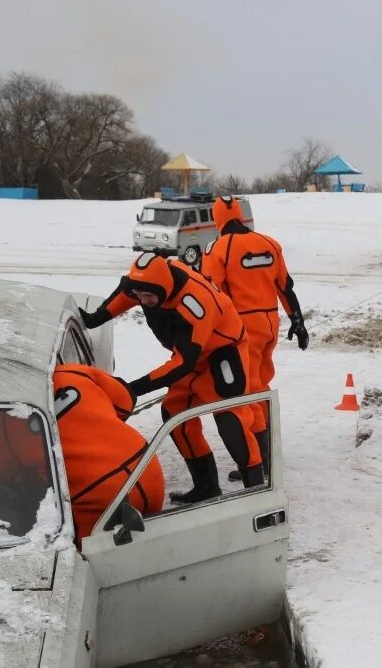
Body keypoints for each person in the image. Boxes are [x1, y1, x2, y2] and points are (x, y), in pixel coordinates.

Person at [80, 252, 264, 503]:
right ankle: (206, 486)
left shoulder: (194, 303)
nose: (144, 302)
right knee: (176, 415)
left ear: (165, 289)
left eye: (149, 297)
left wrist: (134, 388)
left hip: (222, 352)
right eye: (140, 296)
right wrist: (92, 319)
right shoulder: (146, 286)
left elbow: (182, 363)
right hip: (189, 354)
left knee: (230, 419)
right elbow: (123, 297)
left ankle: (256, 489)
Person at [200, 195, 308, 481]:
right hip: (270, 326)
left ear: (217, 220)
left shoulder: (218, 248)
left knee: (248, 395)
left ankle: (259, 464)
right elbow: (286, 287)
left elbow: (210, 295)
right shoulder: (269, 243)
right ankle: (264, 459)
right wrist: (297, 320)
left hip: (240, 331)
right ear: (242, 216)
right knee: (260, 386)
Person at [52, 364, 165, 545]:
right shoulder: (71, 371)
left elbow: (3, 473)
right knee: (153, 542)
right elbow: (125, 400)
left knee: (95, 562)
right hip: (144, 466)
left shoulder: (11, 412)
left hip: (95, 493)